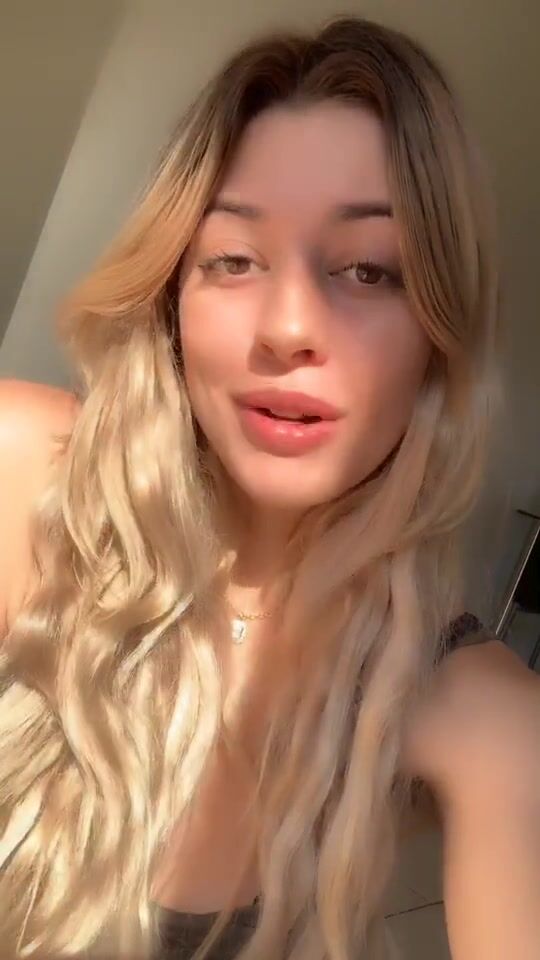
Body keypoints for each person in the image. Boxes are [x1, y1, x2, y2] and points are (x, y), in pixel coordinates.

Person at [0, 14, 538, 960]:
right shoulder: (19, 471)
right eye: (234, 260)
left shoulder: (482, 715)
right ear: (171, 296)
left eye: (370, 269)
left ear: (438, 337)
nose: (289, 326)